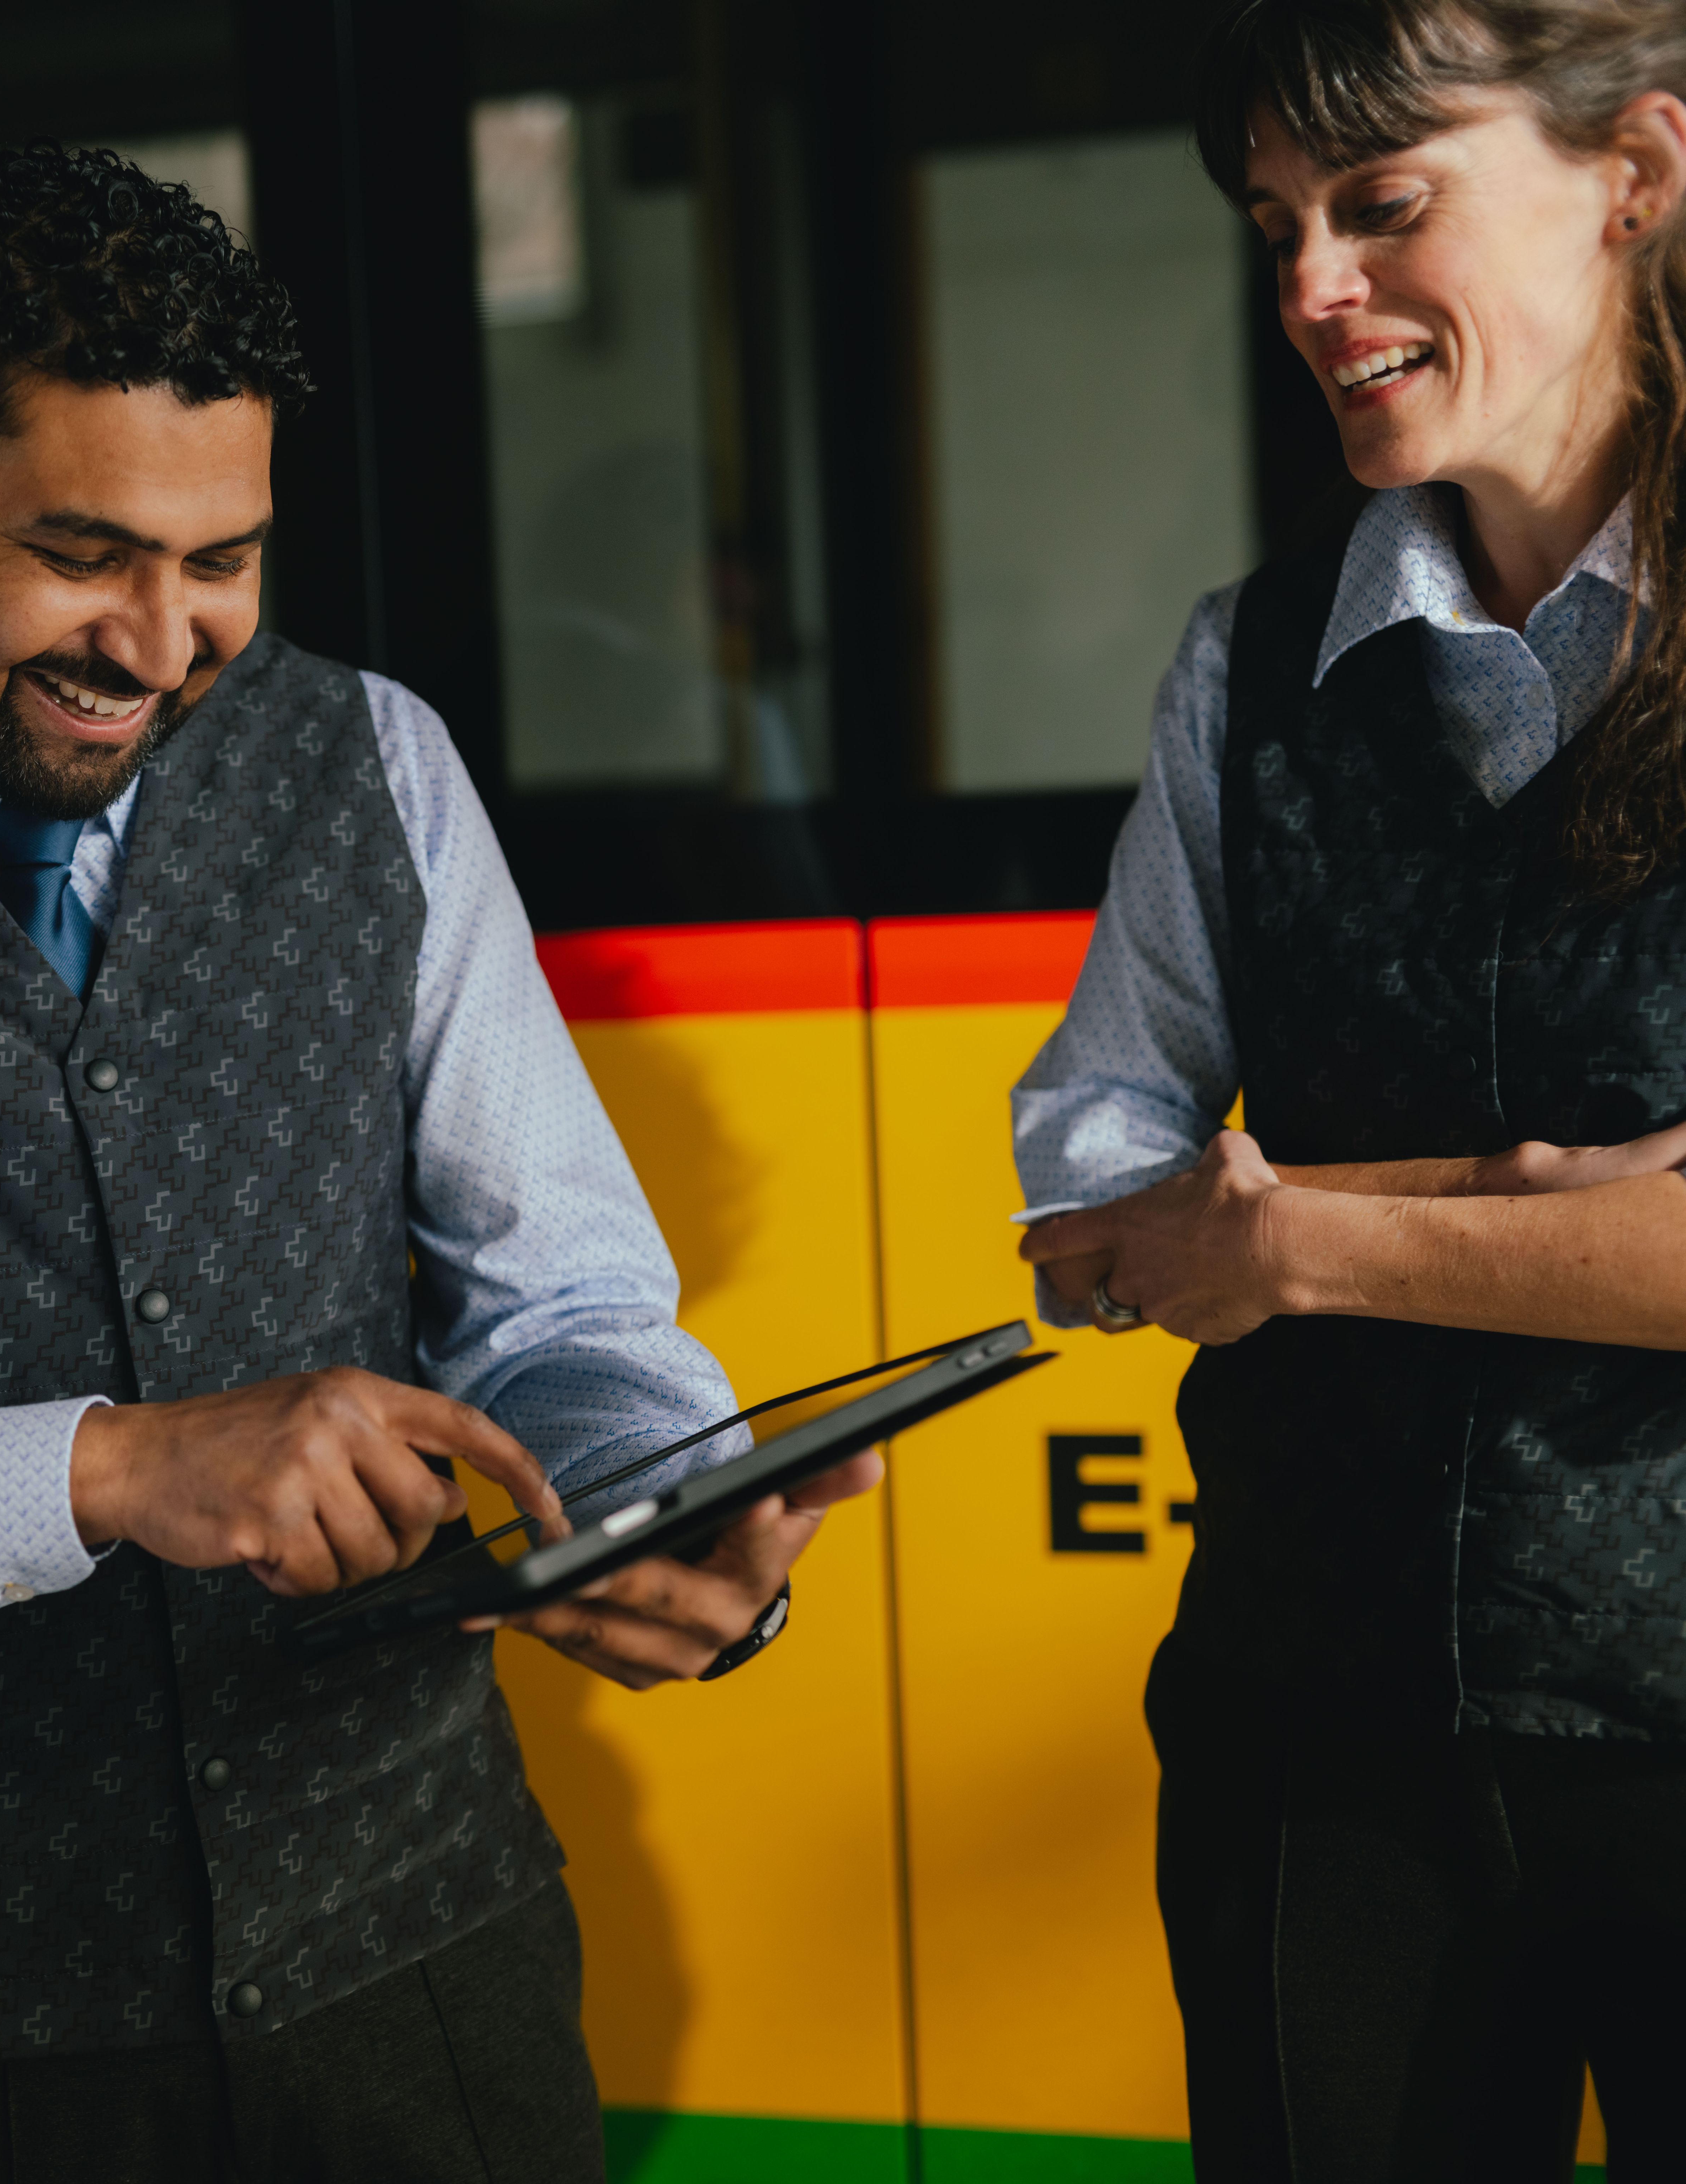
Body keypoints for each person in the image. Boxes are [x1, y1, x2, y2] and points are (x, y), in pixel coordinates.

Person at [0, 141, 875, 2183]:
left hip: (425, 1986)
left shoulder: (376, 760)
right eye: (84, 550)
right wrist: (108, 1465)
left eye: (226, 559)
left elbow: (564, 1304)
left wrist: (654, 1494)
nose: (164, 640)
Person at [1013, 1, 1686, 2172]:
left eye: (1384, 204)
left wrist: (1298, 1237)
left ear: (1640, 177)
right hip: (1320, 1751)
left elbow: (1209, 1229)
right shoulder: (1249, 666)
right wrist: (1541, 1204)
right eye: (1278, 224)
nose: (1311, 287)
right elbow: (1093, 1180)